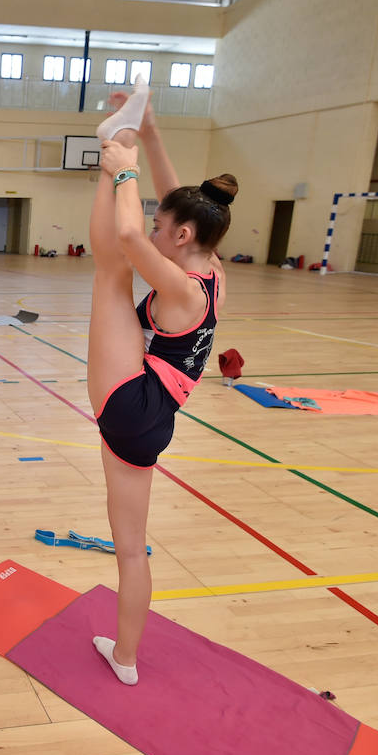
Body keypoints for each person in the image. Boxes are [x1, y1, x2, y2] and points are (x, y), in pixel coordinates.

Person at [87, 83, 233, 686]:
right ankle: (125, 659)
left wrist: (123, 170)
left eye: (160, 222)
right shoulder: (210, 267)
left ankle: (110, 145)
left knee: (111, 274)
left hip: (133, 403)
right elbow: (177, 208)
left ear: (179, 237)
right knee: (131, 547)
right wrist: (148, 132)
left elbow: (126, 240)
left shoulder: (180, 288)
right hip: (154, 416)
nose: (152, 226)